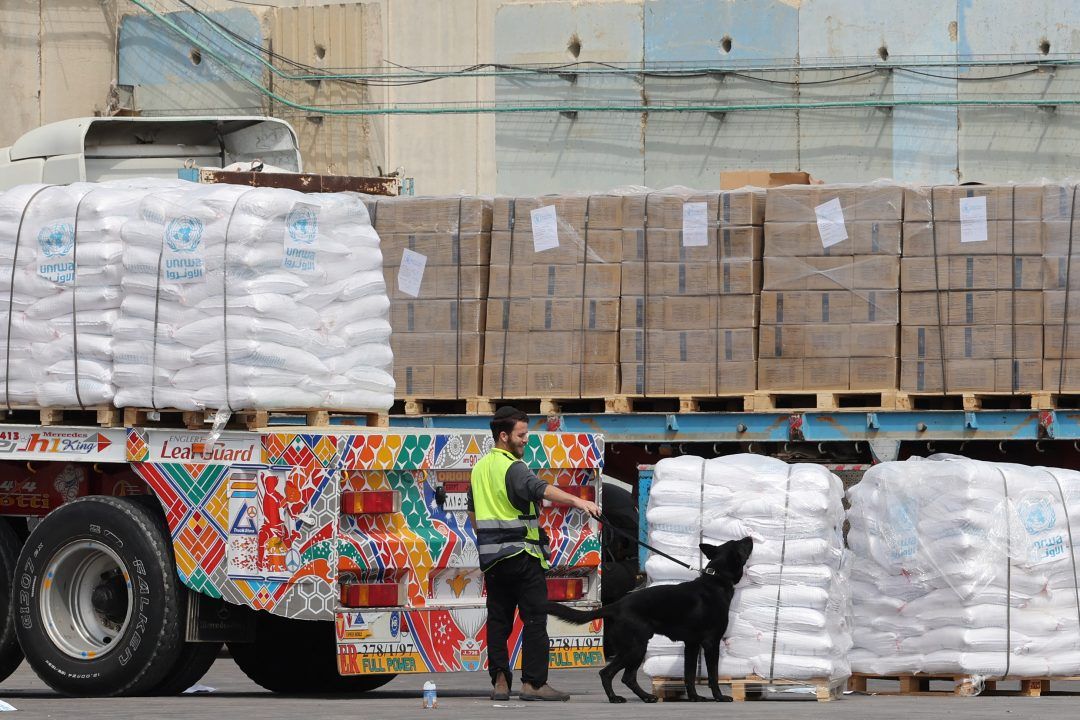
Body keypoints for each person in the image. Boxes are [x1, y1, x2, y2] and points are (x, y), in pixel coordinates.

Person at [468, 406, 600, 702]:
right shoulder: (513, 467)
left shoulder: (479, 469)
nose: (526, 440)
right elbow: (540, 490)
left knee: (499, 620)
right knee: (535, 618)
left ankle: (500, 682)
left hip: (492, 559)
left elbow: (473, 516)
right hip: (523, 554)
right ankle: (534, 684)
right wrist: (579, 502)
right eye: (521, 434)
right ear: (504, 436)